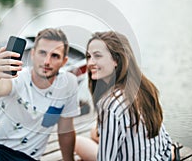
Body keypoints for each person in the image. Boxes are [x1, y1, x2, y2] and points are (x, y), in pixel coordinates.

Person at [0, 28, 80, 161]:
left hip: (28, 158)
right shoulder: (18, 77)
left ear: (64, 61)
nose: (47, 61)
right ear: (32, 54)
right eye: (42, 53)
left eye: (55, 56)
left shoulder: (69, 84)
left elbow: (66, 131)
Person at [75, 31, 178, 161]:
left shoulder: (110, 105)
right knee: (94, 133)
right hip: (164, 155)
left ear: (116, 60)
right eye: (89, 57)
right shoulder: (143, 86)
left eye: (97, 56)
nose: (90, 63)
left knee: (76, 141)